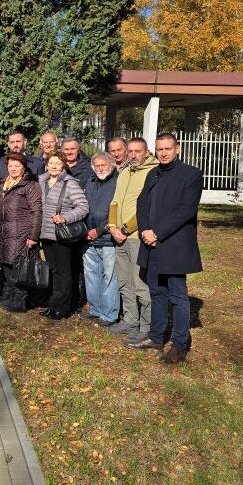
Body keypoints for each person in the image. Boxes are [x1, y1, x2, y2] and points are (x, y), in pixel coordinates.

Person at [127, 133, 203, 365]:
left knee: (177, 296)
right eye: (159, 149)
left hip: (174, 245)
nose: (163, 153)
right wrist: (145, 230)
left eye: (168, 148)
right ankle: (156, 337)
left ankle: (180, 344)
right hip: (151, 244)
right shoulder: (153, 174)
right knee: (156, 292)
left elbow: (185, 210)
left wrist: (157, 232)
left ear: (177, 149)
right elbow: (141, 204)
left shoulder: (191, 174)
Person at [107, 138, 157, 342]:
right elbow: (115, 201)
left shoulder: (152, 173)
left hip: (136, 237)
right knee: (123, 281)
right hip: (119, 236)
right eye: (131, 151)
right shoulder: (125, 172)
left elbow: (148, 208)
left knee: (140, 284)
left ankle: (146, 326)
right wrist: (112, 227)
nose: (133, 155)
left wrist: (126, 229)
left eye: (138, 151)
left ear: (146, 152)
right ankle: (130, 319)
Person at [37, 153, 89, 320]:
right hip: (45, 234)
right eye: (51, 163)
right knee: (53, 270)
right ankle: (53, 303)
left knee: (64, 271)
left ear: (63, 166)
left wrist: (65, 217)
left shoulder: (70, 184)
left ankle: (63, 307)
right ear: (46, 165)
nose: (54, 166)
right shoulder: (41, 182)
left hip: (61, 235)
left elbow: (83, 207)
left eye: (57, 163)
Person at [0, 153, 42, 313]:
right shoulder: (2, 184)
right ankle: (8, 296)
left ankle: (19, 301)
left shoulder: (30, 185)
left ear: (23, 167)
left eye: (17, 166)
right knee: (7, 266)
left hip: (21, 234)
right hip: (4, 234)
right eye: (10, 165)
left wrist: (33, 236)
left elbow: (36, 211)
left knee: (19, 269)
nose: (13, 168)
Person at [82, 152, 120, 326]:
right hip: (88, 237)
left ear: (111, 165)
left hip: (107, 237)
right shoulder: (90, 182)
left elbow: (117, 211)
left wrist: (99, 230)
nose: (100, 168)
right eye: (96, 166)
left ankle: (110, 314)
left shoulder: (118, 181)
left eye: (103, 165)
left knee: (109, 277)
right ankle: (95, 309)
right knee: (91, 275)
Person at [61, 136, 90, 312]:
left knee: (78, 262)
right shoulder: (58, 167)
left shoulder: (87, 168)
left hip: (79, 221)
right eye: (66, 149)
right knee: (64, 263)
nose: (69, 152)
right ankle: (66, 296)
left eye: (73, 149)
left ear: (78, 149)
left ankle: (78, 299)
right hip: (60, 222)